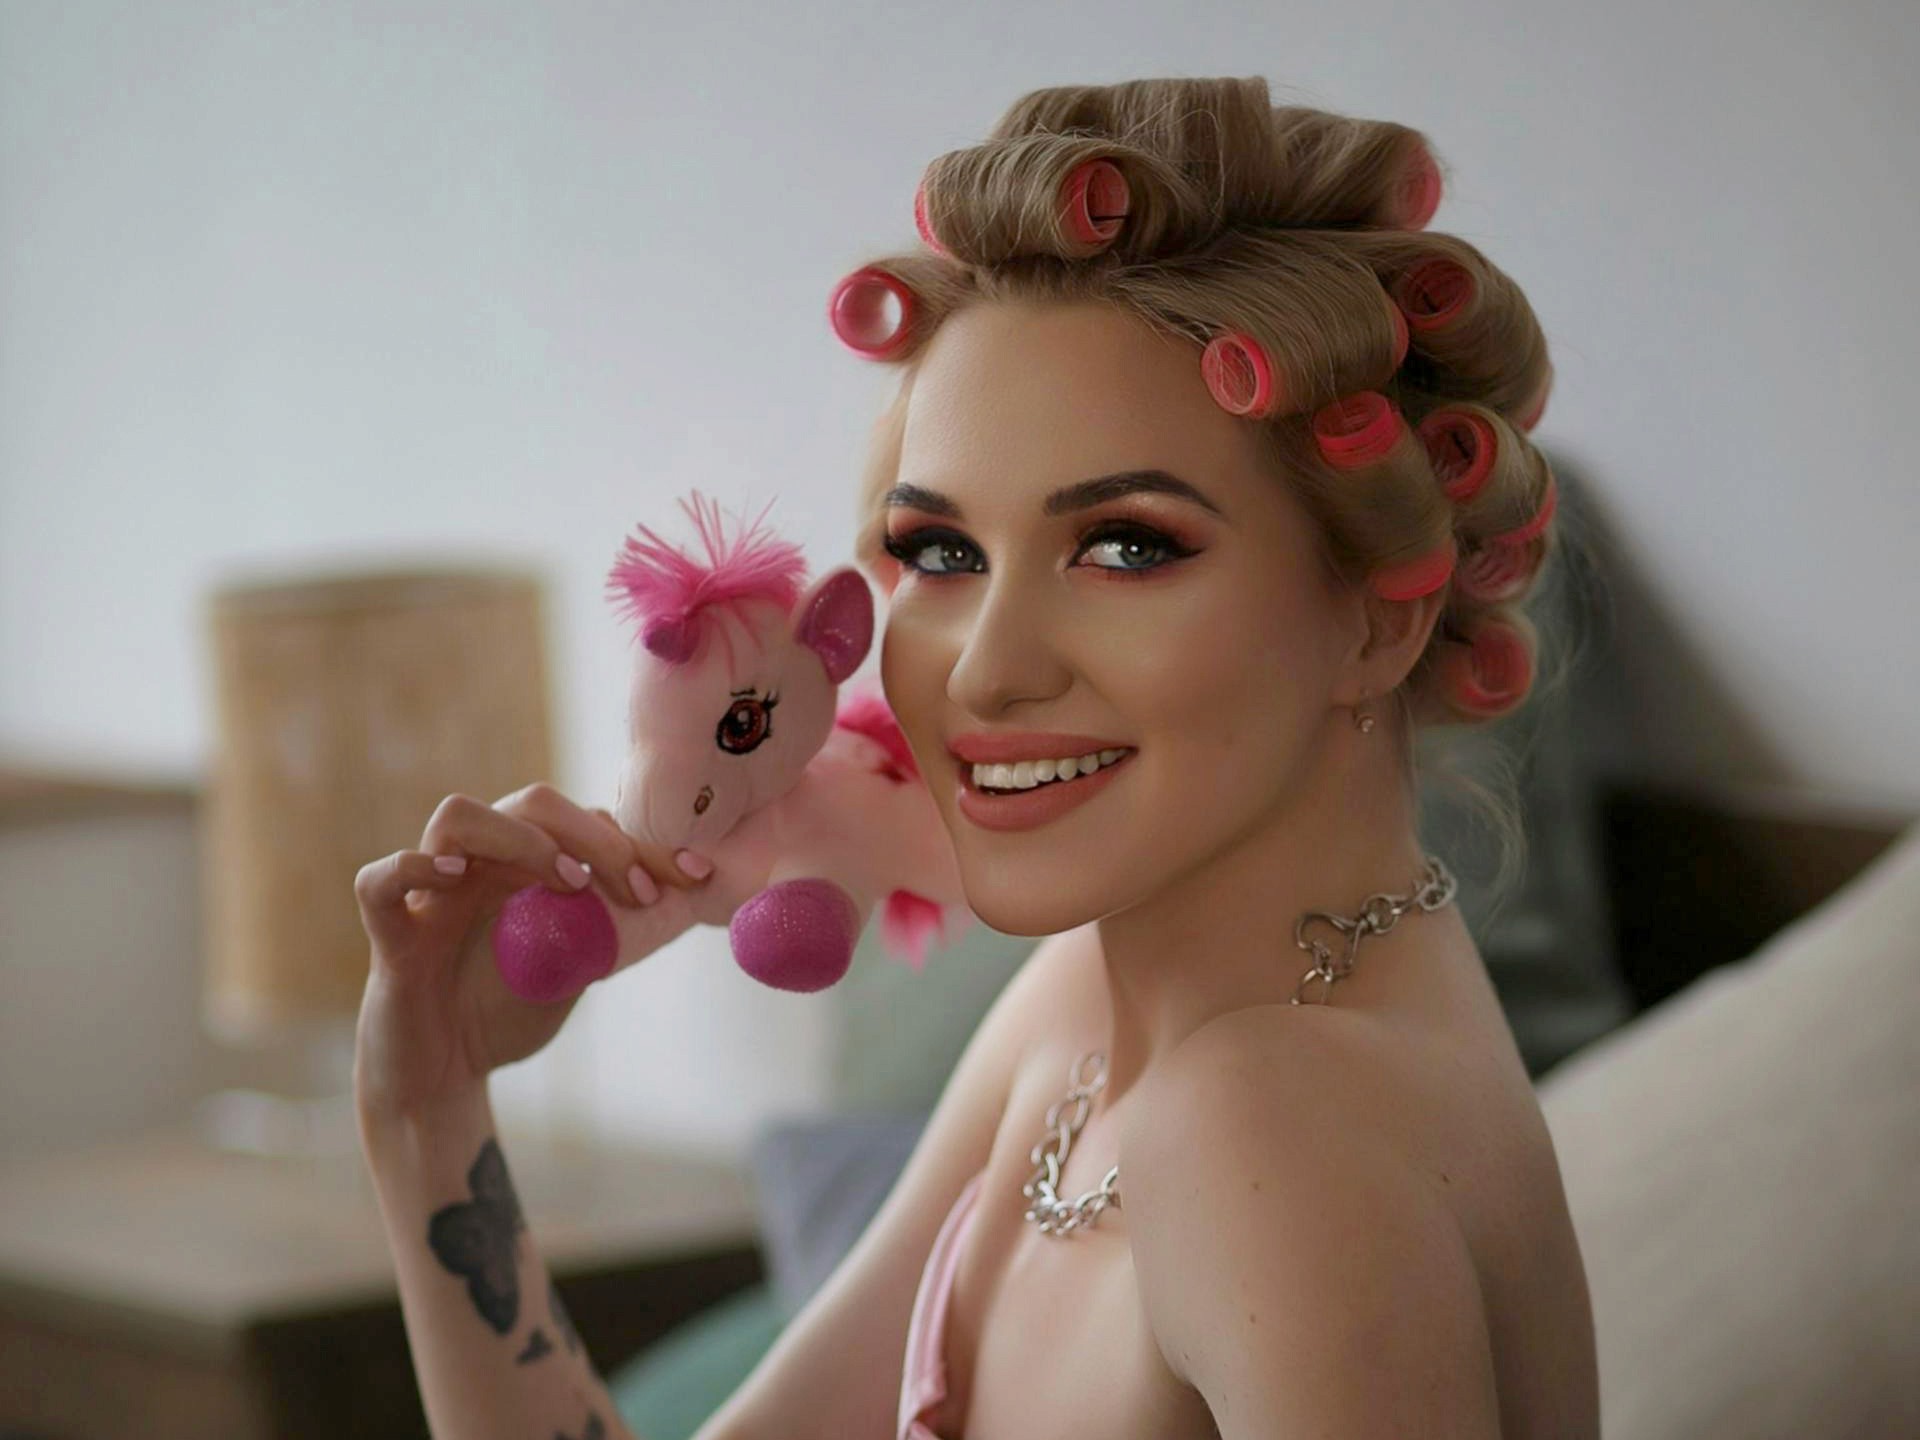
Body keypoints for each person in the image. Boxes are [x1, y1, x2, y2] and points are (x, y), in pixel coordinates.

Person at [355, 74, 1600, 1440]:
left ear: (1379, 615)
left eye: (1127, 545)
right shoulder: (1084, 1010)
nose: (986, 667)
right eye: (940, 552)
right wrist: (428, 1106)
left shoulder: (1275, 1123)